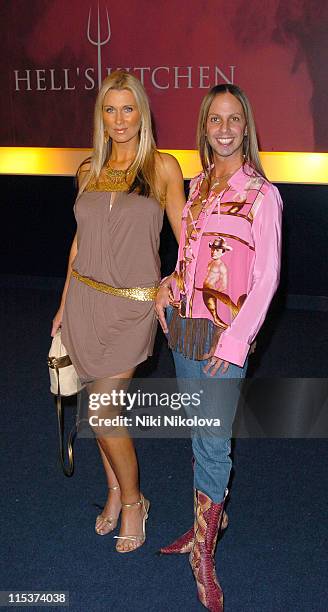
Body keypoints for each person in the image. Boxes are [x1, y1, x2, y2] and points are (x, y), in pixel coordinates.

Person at [155, 84, 283, 610]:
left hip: (223, 341)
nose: (225, 129)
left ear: (245, 127)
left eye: (234, 120)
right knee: (197, 430)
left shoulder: (262, 194)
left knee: (213, 443)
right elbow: (190, 251)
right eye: (215, 120)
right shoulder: (199, 183)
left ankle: (203, 553)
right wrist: (170, 283)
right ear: (204, 127)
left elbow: (268, 277)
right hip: (185, 327)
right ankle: (208, 520)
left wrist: (235, 343)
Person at [51, 70, 185, 553]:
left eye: (129, 108)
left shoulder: (163, 167)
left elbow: (186, 240)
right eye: (111, 109)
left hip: (132, 307)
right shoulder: (88, 169)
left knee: (103, 411)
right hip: (84, 301)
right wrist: (63, 306)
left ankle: (134, 501)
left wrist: (173, 282)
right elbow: (79, 243)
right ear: (101, 116)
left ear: (142, 113)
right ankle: (112, 492)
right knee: (100, 409)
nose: (120, 119)